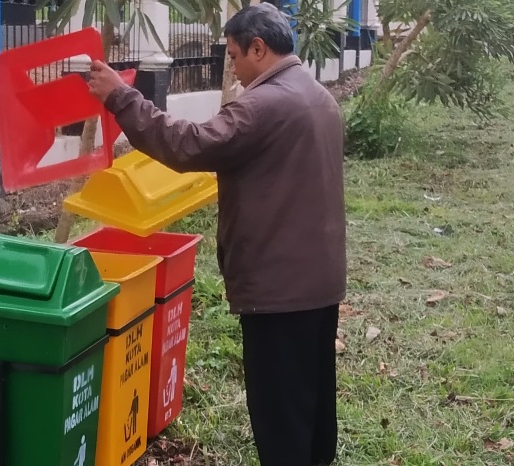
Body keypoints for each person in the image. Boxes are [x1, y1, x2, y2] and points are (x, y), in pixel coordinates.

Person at [86, 4, 347, 466]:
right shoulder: (316, 95)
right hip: (318, 282)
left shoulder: (266, 104)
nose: (235, 69)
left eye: (234, 56)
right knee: (312, 401)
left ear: (258, 48)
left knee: (279, 413)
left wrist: (120, 98)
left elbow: (190, 144)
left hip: (279, 291)